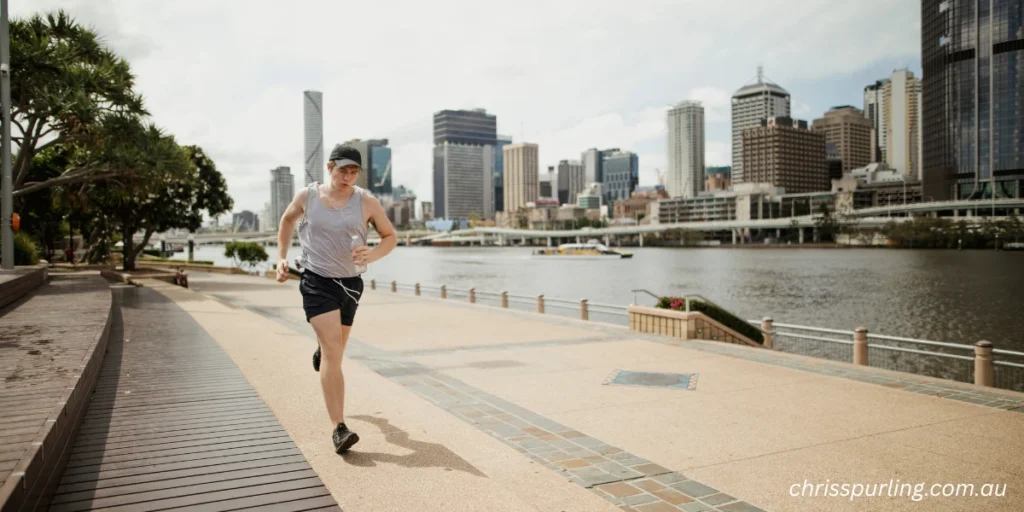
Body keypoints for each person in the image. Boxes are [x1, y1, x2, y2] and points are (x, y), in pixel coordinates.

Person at [275, 143, 397, 453]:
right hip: (316, 280)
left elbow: (390, 236)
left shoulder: (366, 201)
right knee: (333, 352)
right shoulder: (308, 196)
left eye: (354, 171)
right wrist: (281, 257)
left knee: (335, 351)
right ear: (329, 167)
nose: (348, 177)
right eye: (343, 170)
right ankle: (338, 428)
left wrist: (373, 254)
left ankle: (323, 348)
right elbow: (287, 221)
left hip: (351, 285)